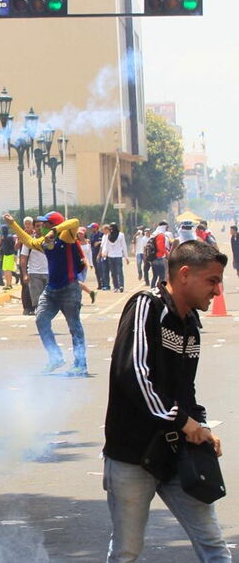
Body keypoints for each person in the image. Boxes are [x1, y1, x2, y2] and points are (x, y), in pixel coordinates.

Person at [103, 240, 229, 562]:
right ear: (185, 274)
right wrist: (184, 422)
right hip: (132, 456)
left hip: (177, 456)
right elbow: (134, 376)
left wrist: (200, 426)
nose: (217, 290)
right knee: (126, 552)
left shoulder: (191, 327)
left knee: (214, 547)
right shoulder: (147, 306)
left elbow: (185, 390)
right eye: (212, 280)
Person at [5, 211, 88, 376]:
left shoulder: (67, 236)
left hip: (69, 289)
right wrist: (13, 224)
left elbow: (75, 220)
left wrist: (55, 231)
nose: (43, 227)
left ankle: (80, 364)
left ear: (54, 225)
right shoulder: (44, 242)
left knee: (74, 327)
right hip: (51, 290)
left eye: (46, 224)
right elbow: (29, 241)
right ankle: (55, 357)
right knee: (41, 319)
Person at [20, 217, 51, 313]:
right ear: (34, 227)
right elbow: (23, 258)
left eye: (43, 226)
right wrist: (25, 274)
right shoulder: (29, 241)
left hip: (49, 273)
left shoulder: (50, 240)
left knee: (49, 300)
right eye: (38, 226)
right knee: (38, 301)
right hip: (34, 274)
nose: (40, 228)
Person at [100, 222, 129, 293]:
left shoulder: (121, 235)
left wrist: (126, 257)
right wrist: (104, 253)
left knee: (118, 272)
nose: (111, 230)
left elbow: (123, 246)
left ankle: (121, 285)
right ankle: (116, 286)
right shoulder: (108, 236)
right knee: (114, 272)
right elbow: (106, 245)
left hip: (118, 255)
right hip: (111, 256)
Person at [18, 217, 36, 315]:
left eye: (29, 223)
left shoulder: (35, 235)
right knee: (25, 285)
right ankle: (27, 307)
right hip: (23, 261)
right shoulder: (21, 234)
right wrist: (20, 239)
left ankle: (35, 306)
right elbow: (16, 247)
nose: (27, 225)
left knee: (35, 285)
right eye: (26, 223)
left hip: (34, 262)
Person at [148, 222, 172, 288]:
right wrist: (167, 253)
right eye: (167, 227)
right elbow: (160, 247)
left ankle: (152, 289)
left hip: (153, 257)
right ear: (164, 227)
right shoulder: (161, 235)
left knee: (155, 276)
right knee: (162, 276)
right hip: (159, 258)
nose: (167, 229)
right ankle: (160, 290)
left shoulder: (154, 234)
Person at [76, 227, 96, 304]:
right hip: (77, 265)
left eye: (81, 233)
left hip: (84, 266)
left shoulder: (87, 244)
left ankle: (79, 299)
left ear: (84, 234)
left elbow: (89, 254)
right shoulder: (75, 242)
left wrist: (91, 264)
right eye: (79, 233)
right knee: (79, 281)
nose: (80, 235)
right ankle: (78, 300)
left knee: (81, 282)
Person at [0, 222, 17, 290]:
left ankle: (9, 284)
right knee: (5, 270)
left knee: (8, 270)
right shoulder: (4, 237)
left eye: (3, 230)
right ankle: (8, 284)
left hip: (10, 255)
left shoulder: (9, 237)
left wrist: (15, 255)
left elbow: (13, 246)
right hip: (6, 255)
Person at [89, 223, 106, 290]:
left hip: (101, 254)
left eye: (92, 227)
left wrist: (99, 242)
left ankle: (104, 284)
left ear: (96, 228)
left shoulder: (101, 234)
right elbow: (92, 244)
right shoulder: (91, 235)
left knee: (101, 269)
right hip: (94, 253)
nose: (91, 229)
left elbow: (104, 242)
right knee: (97, 270)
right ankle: (99, 284)